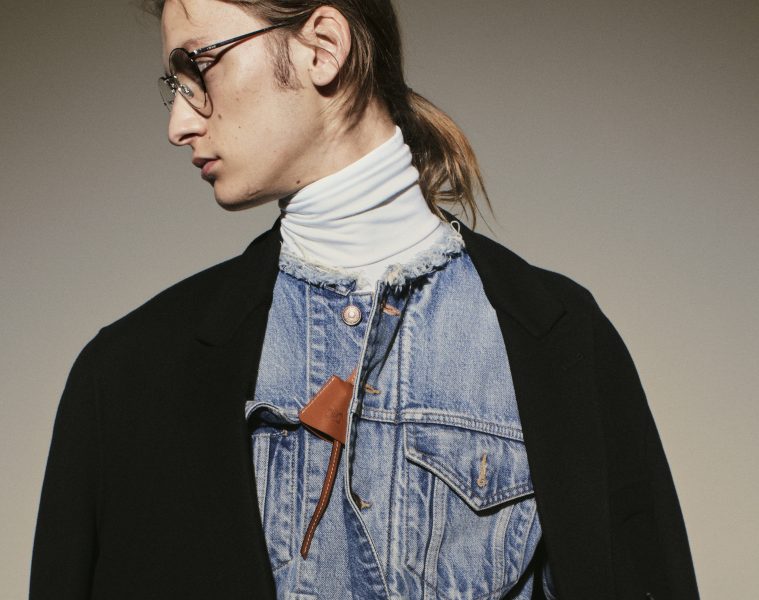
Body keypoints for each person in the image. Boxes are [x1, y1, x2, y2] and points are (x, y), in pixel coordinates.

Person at [30, 1, 699, 598]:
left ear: (322, 46)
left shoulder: (558, 339)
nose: (179, 123)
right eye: (174, 87)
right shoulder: (127, 375)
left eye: (199, 68)